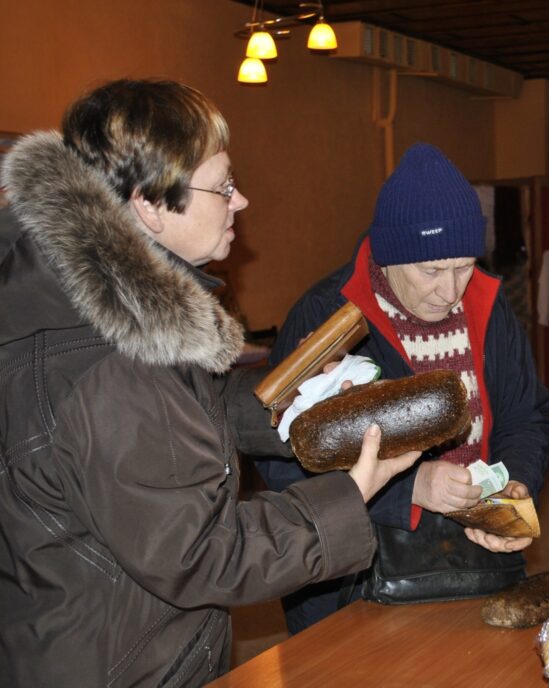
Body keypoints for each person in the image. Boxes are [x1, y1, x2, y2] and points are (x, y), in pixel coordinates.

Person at [0, 79, 419, 687]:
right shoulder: (111, 365)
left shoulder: (91, 306)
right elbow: (202, 552)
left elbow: (179, 417)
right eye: (222, 185)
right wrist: (345, 498)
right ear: (148, 203)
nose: (240, 200)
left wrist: (298, 409)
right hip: (121, 665)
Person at [255, 143, 549, 634]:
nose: (451, 290)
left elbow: (526, 416)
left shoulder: (488, 303)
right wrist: (410, 489)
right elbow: (283, 461)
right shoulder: (324, 318)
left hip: (476, 569)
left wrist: (516, 485)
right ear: (390, 256)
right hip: (353, 585)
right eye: (431, 271)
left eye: (463, 265)